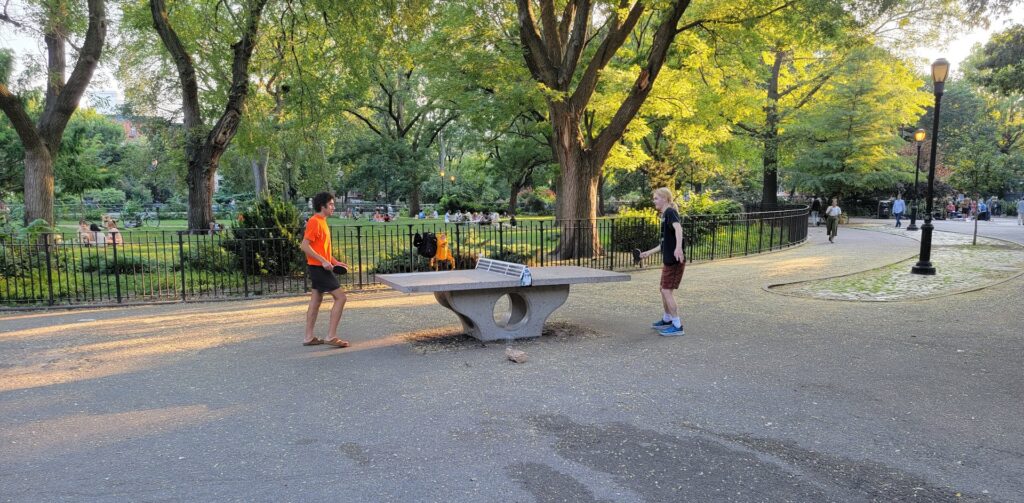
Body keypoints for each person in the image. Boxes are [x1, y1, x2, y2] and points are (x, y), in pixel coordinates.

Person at [299, 192, 349, 348]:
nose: (334, 207)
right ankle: (331, 336)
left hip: (319, 266)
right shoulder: (315, 221)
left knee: (316, 301)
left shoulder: (322, 221)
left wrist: (334, 261)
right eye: (332, 204)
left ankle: (308, 337)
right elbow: (304, 246)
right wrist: (323, 262)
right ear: (323, 206)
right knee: (341, 298)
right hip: (318, 268)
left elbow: (321, 248)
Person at [638, 187, 686, 337]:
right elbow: (663, 244)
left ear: (665, 198)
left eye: (656, 198)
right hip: (668, 260)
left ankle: (677, 325)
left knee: (666, 291)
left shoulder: (671, 213)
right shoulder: (665, 215)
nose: (654, 201)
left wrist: (678, 248)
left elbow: (679, 229)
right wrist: (648, 253)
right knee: (663, 289)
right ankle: (667, 319)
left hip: (674, 260)